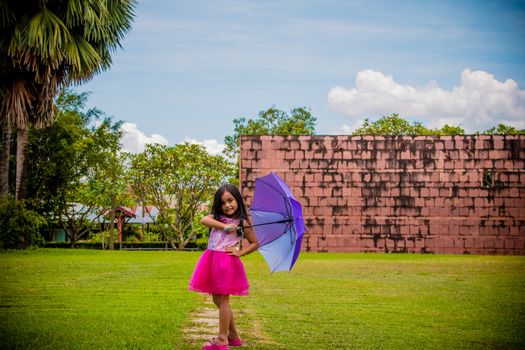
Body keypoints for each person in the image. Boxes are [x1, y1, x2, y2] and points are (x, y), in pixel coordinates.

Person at [189, 184, 259, 350]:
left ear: (237, 200)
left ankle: (222, 340)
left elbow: (255, 243)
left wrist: (240, 252)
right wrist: (224, 226)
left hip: (226, 262)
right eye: (223, 203)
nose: (227, 205)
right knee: (217, 300)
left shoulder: (242, 222)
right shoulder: (217, 218)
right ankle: (234, 336)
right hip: (212, 259)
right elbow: (203, 219)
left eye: (230, 200)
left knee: (224, 300)